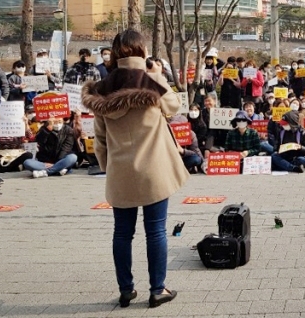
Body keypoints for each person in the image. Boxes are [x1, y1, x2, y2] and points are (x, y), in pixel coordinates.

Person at [81, 30, 188, 308]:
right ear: (142, 52)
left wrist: (109, 168)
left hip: (120, 171)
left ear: (114, 54)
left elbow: (100, 138)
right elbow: (174, 106)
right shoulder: (150, 82)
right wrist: (158, 72)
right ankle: (157, 289)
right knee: (156, 231)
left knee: (122, 232)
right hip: (155, 170)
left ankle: (126, 290)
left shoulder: (103, 89)